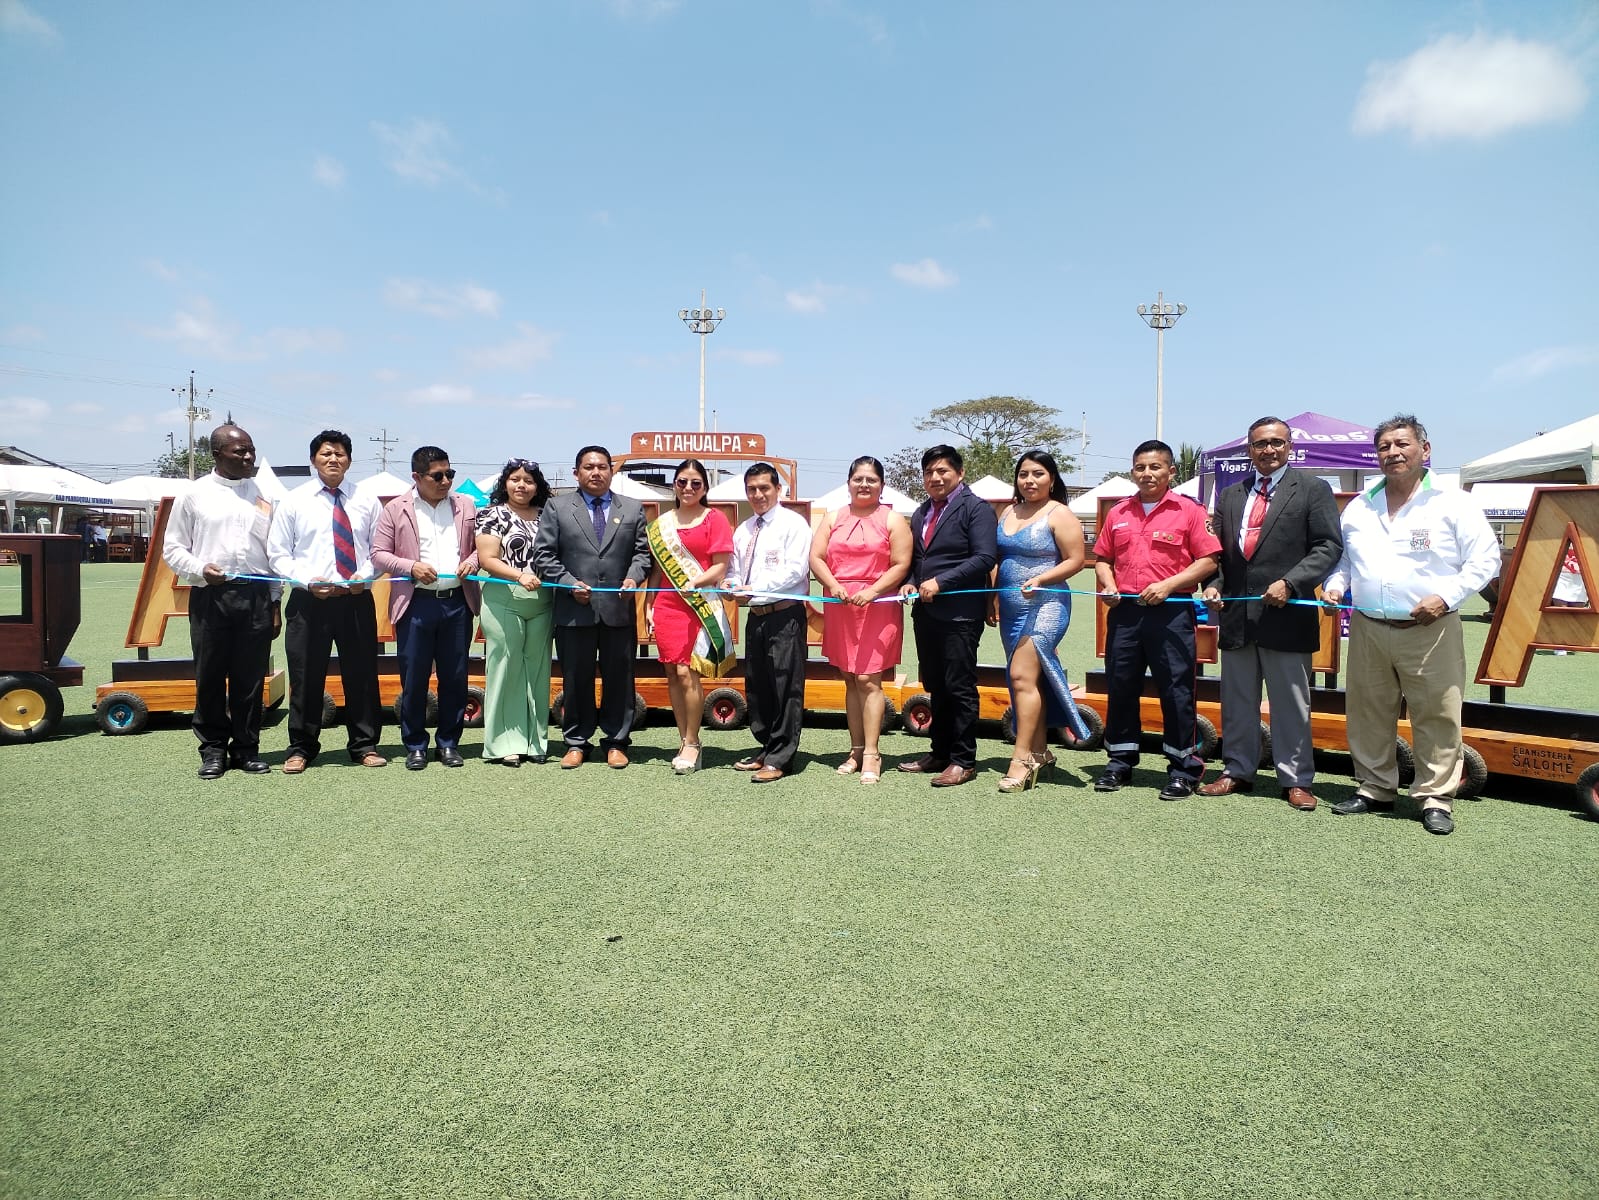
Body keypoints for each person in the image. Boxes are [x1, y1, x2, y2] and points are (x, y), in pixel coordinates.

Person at [1323, 415, 1499, 835]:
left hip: (1431, 629)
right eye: (1384, 447)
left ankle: (1435, 798)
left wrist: (1446, 597)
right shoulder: (1360, 506)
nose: (1393, 453)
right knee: (1367, 712)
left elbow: (1485, 560)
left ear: (1425, 449)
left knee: (1437, 714)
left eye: (1402, 444)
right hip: (1368, 626)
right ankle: (1375, 787)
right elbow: (1346, 560)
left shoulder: (1453, 502)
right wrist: (1335, 585)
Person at [1199, 418, 1342, 811]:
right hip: (1237, 618)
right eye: (1260, 444)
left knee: (1291, 705)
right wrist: (1213, 583)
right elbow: (1219, 553)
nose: (1269, 450)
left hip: (1287, 616)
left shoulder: (1313, 489)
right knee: (1237, 702)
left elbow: (1328, 547)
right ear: (1249, 449)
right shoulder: (1231, 494)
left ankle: (1296, 779)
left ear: (1289, 446)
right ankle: (1237, 770)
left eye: (1277, 442)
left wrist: (1291, 583)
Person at [1093, 439, 1222, 800]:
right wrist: (1108, 584)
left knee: (1177, 691)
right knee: (1120, 687)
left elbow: (1208, 560)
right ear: (1132, 471)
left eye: (1155, 467)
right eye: (1140, 467)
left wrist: (1168, 585)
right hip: (1125, 612)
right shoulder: (1119, 512)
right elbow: (1102, 559)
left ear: (1171, 471)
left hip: (1171, 612)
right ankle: (1119, 762)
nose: (1147, 474)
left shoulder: (1189, 511)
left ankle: (1184, 769)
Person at [161, 423, 279, 779]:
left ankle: (246, 749)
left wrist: (274, 602)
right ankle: (213, 750)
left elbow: (273, 553)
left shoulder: (263, 494)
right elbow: (172, 548)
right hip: (211, 596)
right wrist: (200, 568)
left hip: (256, 596)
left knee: (250, 679)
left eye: (251, 450)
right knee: (210, 676)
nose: (249, 457)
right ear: (216, 454)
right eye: (240, 451)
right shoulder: (194, 494)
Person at [267, 430, 387, 775]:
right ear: (313, 460)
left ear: (349, 460)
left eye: (340, 454)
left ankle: (364, 745)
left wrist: (365, 576)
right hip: (309, 602)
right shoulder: (294, 501)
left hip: (355, 600)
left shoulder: (367, 500)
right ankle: (301, 748)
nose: (333, 459)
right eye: (325, 454)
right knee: (305, 677)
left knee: (362, 675)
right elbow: (278, 554)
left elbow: (379, 550)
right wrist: (307, 580)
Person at [532, 445, 652, 770]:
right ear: (576, 473)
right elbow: (543, 555)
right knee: (575, 680)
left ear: (612, 471)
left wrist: (633, 577)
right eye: (589, 467)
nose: (596, 472)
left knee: (620, 680)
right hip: (574, 612)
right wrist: (569, 583)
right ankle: (576, 742)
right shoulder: (557, 507)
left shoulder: (632, 508)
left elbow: (642, 554)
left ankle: (616, 742)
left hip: (618, 610)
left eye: (602, 467)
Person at [371, 446, 483, 770]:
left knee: (455, 678)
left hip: (457, 604)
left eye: (450, 474)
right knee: (414, 679)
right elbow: (378, 554)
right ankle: (416, 745)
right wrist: (411, 567)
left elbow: (482, 547)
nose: (446, 481)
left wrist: (473, 561)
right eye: (438, 476)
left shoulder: (466, 505)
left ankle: (448, 743)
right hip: (415, 604)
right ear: (416, 477)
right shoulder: (396, 509)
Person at [990, 450, 1091, 793]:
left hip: (1047, 605)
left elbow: (1076, 560)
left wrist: (1042, 579)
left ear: (1052, 479)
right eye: (1024, 474)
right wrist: (992, 598)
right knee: (1026, 679)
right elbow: (999, 559)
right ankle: (1040, 751)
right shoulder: (1008, 511)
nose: (1030, 480)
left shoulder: (1059, 513)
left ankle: (1021, 760)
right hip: (1010, 608)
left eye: (1038, 474)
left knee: (1021, 677)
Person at [897, 445, 998, 787]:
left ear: (960, 472)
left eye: (942, 471)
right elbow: (918, 559)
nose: (935, 478)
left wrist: (941, 582)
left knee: (959, 687)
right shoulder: (921, 511)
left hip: (960, 615)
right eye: (929, 472)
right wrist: (911, 582)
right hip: (926, 613)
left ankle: (963, 760)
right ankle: (939, 752)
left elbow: (984, 558)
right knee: (935, 685)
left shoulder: (977, 509)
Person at [810, 455, 911, 785]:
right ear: (849, 483)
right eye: (858, 479)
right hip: (840, 605)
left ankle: (872, 753)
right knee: (850, 679)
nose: (864, 484)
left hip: (877, 605)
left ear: (882, 485)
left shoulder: (893, 520)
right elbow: (816, 557)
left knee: (869, 679)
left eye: (871, 479)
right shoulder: (832, 518)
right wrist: (833, 584)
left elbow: (901, 564)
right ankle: (855, 750)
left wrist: (873, 591)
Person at [724, 462, 814, 783]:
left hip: (785, 616)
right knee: (758, 686)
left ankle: (781, 757)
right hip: (756, 617)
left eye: (764, 488)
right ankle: (766, 746)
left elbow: (796, 570)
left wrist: (755, 588)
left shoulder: (794, 524)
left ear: (778, 489)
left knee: (785, 686)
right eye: (752, 489)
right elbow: (734, 568)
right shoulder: (744, 529)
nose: (758, 494)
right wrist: (733, 585)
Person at [648, 458, 735, 775]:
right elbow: (657, 572)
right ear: (674, 485)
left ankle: (693, 742)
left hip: (698, 603)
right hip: (667, 605)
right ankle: (683, 737)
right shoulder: (661, 525)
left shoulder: (715, 519)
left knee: (688, 673)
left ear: (705, 487)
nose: (688, 488)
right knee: (672, 673)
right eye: (682, 482)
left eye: (695, 483)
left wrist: (696, 582)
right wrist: (649, 606)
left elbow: (720, 566)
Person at [473, 457, 554, 766]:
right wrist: (519, 575)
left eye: (529, 481)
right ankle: (505, 744)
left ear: (537, 486)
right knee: (506, 669)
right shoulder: (490, 514)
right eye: (515, 479)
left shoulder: (548, 515)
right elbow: (487, 558)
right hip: (503, 600)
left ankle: (536, 742)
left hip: (543, 602)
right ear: (505, 483)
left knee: (538, 670)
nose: (522, 485)